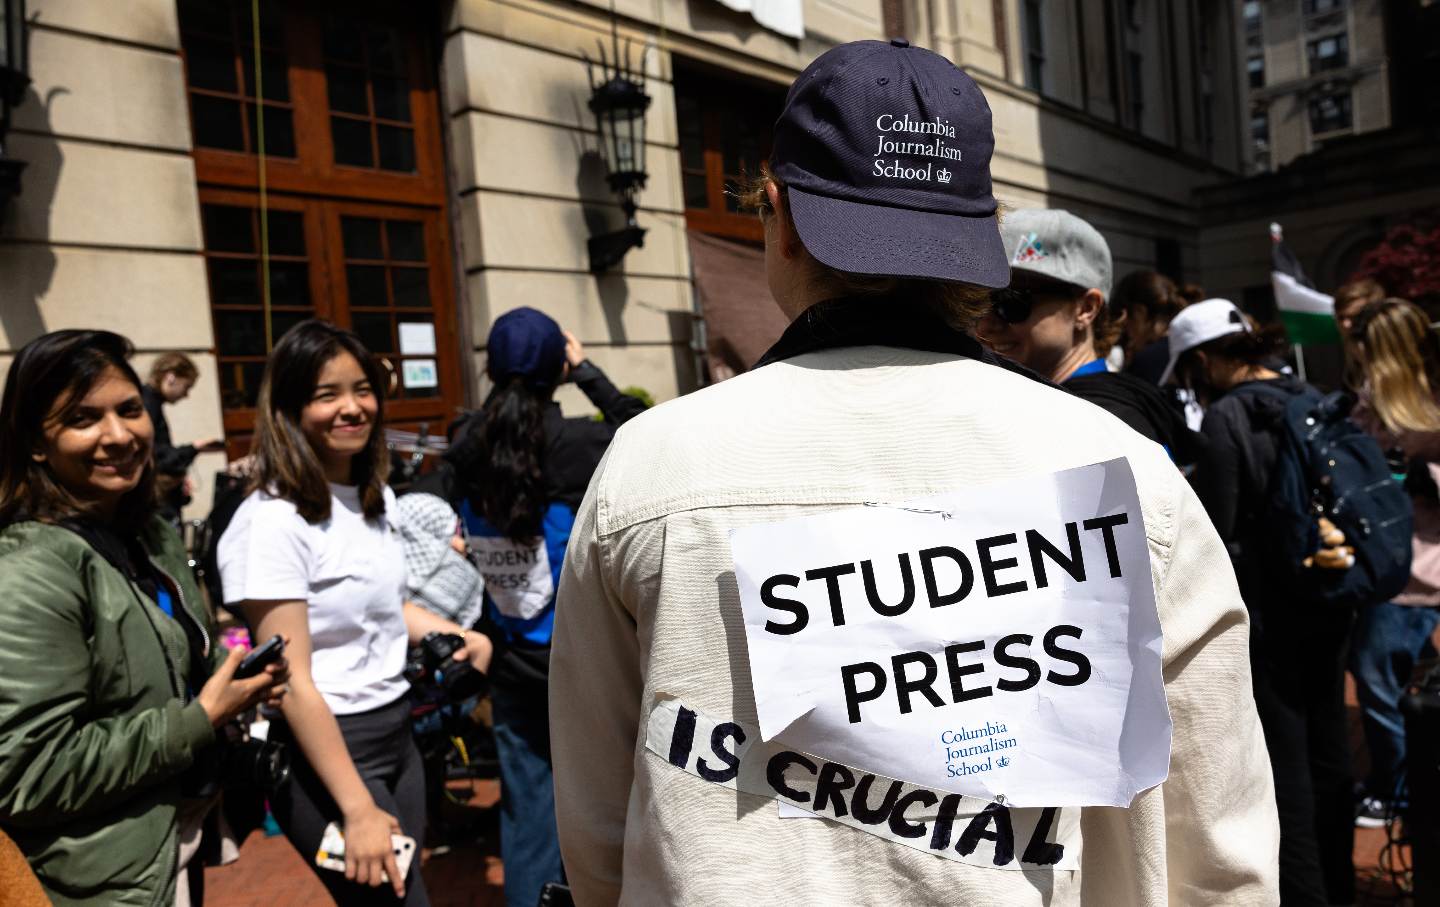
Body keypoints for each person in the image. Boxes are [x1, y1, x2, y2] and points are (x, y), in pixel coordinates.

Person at [550, 40, 1277, 905]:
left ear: (776, 214)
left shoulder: (649, 465)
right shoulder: (1128, 475)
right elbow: (1217, 846)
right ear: (979, 234)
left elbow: (600, 832)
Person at [0, 329, 286, 905]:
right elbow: (27, 773)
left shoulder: (145, 531)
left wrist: (231, 690)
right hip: (98, 883)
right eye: (83, 419)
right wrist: (200, 718)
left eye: (129, 410)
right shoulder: (28, 570)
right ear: (36, 442)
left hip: (168, 850)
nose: (119, 435)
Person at [218, 320, 491, 906]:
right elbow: (286, 680)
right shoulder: (272, 521)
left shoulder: (373, 498)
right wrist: (358, 808)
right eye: (327, 395)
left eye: (362, 389)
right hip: (331, 755)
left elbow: (383, 607)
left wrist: (455, 633)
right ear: (290, 408)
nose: (352, 408)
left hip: (399, 734)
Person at [415, 308, 644, 907]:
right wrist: (587, 372)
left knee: (527, 809)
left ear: (489, 367)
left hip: (512, 656)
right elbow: (651, 435)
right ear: (557, 367)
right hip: (591, 663)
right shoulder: (581, 444)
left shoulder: (465, 449)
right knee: (615, 802)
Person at [1166, 299, 1357, 906]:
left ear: (1202, 361)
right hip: (1330, 599)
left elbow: (1216, 532)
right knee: (1332, 750)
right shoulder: (1307, 396)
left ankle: (1306, 894)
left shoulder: (1228, 416)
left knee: (1286, 767)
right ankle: (1342, 882)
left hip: (1272, 619)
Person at [975, 209, 1202, 465]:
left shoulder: (1112, 425)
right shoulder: (1028, 403)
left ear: (1086, 308)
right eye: (979, 302)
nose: (986, 324)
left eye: (1010, 301)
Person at [1344, 298, 1440, 826]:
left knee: (1378, 679)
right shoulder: (1378, 399)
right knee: (1402, 677)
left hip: (1413, 572)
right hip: (1393, 565)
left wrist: (1419, 475)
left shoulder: (1421, 401)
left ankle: (1400, 790)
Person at [142, 352, 226, 524]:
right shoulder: (148, 404)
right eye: (186, 387)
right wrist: (195, 448)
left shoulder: (152, 403)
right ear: (171, 377)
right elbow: (157, 455)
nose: (186, 395)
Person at [1110, 270, 1185, 384]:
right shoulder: (1187, 348)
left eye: (1126, 323)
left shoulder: (1146, 361)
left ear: (1140, 312)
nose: (1127, 333)